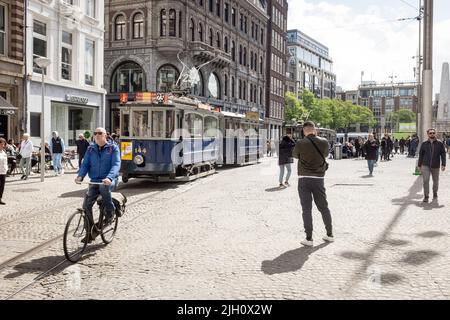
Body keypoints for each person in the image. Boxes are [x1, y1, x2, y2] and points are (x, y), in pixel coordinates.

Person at [75, 127, 121, 243]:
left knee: (103, 187)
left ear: (105, 135)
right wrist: (80, 176)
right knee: (86, 205)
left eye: (100, 133)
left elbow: (116, 164)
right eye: (95, 133)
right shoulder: (90, 149)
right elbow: (85, 164)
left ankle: (110, 212)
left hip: (109, 180)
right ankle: (89, 231)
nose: (97, 135)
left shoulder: (113, 148)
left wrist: (109, 177)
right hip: (94, 180)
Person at [292, 121, 333, 247]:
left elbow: (294, 155)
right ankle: (329, 234)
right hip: (319, 179)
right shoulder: (324, 142)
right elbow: (325, 154)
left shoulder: (300, 143)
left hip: (304, 178)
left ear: (304, 131)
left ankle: (309, 238)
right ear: (315, 130)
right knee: (323, 207)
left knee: (306, 209)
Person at [418, 129, 446, 203]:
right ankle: (426, 196)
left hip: (435, 165)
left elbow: (443, 154)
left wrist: (443, 164)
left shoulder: (440, 143)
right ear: (428, 134)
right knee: (426, 180)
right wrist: (419, 165)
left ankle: (435, 193)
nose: (432, 134)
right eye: (430, 133)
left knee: (435, 181)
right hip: (425, 165)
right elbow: (421, 155)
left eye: (433, 133)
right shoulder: (424, 144)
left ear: (435, 134)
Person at [0, 138, 8, 205]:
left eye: (4, 144)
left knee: (2, 186)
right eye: (1, 144)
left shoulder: (4, 151)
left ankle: (0, 198)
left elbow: (6, 161)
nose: (3, 145)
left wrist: (6, 169)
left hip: (3, 171)